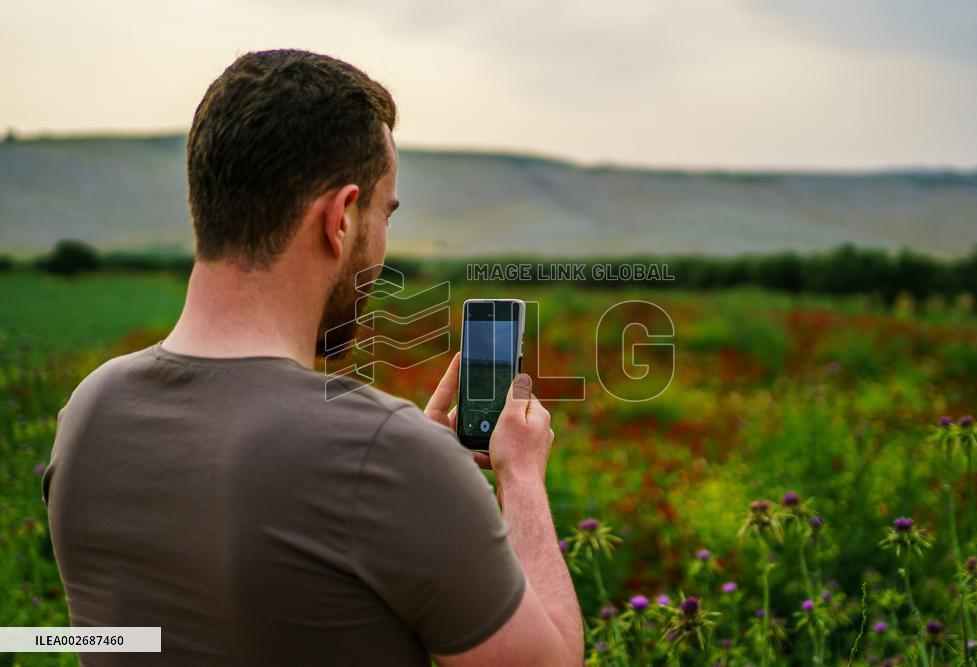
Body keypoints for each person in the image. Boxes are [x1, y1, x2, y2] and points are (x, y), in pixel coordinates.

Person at [42, 49, 583, 666]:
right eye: (383, 214)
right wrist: (521, 480)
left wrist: (413, 470)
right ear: (339, 218)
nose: (382, 244)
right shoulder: (388, 456)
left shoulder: (88, 412)